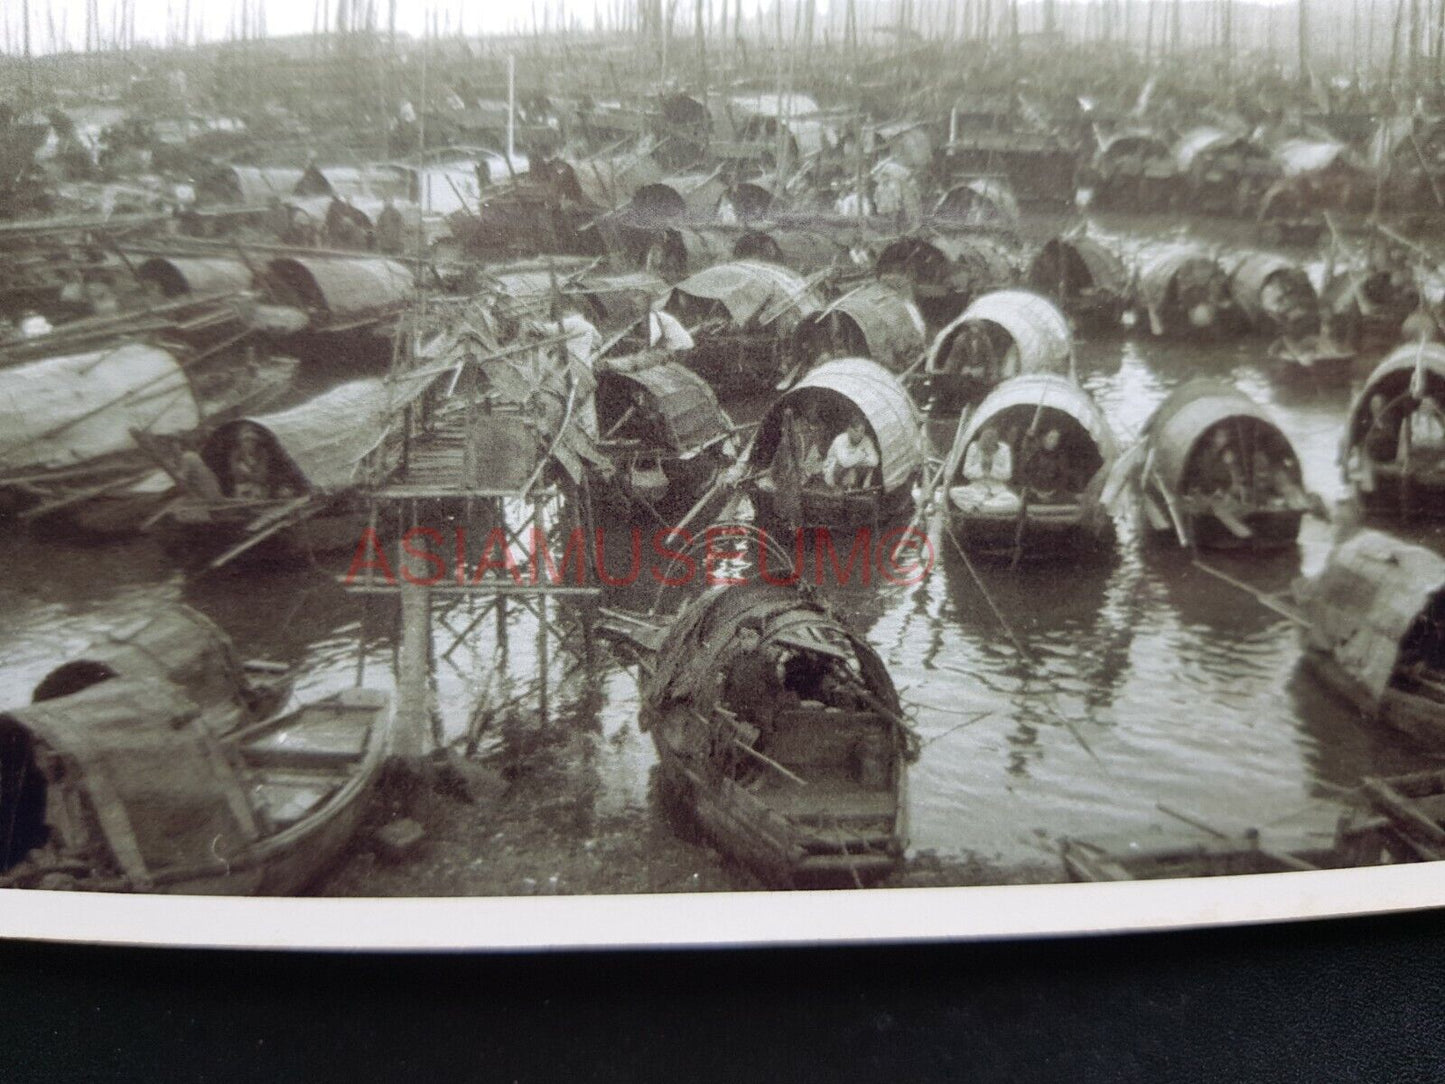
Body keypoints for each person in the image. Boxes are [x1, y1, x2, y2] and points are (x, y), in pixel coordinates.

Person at [822, 417, 881, 489]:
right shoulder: (840, 440)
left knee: (870, 467)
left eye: (862, 431)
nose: (859, 434)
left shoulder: (866, 440)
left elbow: (875, 461)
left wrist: (854, 459)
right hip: (833, 473)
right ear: (849, 430)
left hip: (853, 472)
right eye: (856, 431)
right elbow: (845, 463)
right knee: (849, 467)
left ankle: (858, 487)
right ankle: (845, 488)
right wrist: (861, 455)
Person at [1019, 428, 1070, 498]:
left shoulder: (1060, 457)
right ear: (1044, 438)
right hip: (1031, 493)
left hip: (1052, 494)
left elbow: (1063, 478)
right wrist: (1035, 491)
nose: (1053, 441)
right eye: (1051, 437)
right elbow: (1025, 474)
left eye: (1056, 439)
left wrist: (1051, 492)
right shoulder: (1034, 454)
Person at [229, 424, 273, 500]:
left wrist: (246, 471)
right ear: (241, 442)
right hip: (242, 488)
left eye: (253, 440)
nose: (250, 443)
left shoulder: (262, 453)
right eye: (246, 440)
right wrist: (253, 473)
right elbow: (237, 475)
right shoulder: (236, 454)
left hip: (258, 488)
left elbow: (262, 476)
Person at [1402, 395, 1445, 463]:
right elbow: (1409, 438)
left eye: (1432, 404)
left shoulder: (1438, 419)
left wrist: (1439, 413)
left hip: (1435, 449)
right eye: (1425, 404)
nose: (1428, 406)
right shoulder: (1414, 418)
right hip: (1420, 449)